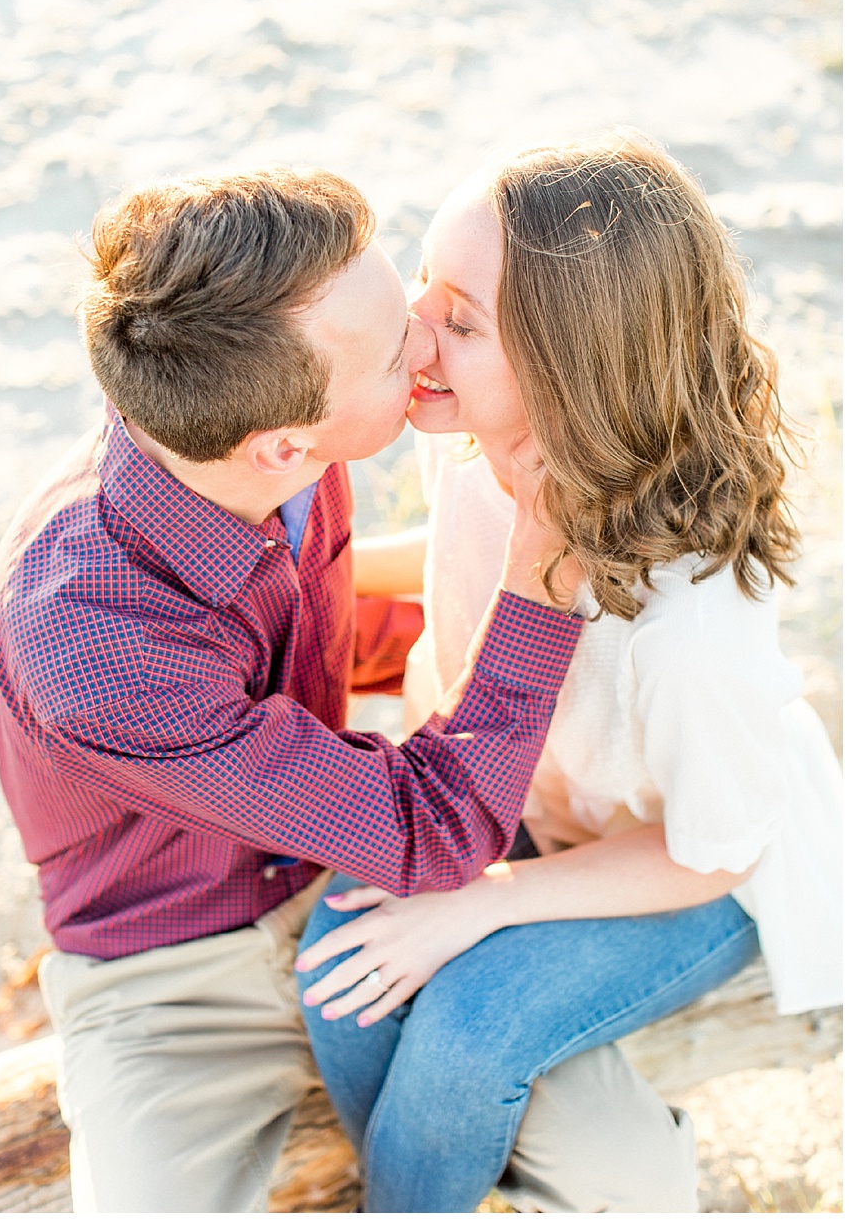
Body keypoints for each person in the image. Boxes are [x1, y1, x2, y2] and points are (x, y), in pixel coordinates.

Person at [0, 168, 702, 1212]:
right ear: (284, 443)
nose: (424, 333)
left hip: (354, 876)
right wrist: (537, 578)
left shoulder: (255, 430)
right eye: (390, 349)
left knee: (631, 1176)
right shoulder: (88, 643)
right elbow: (435, 825)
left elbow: (319, 625)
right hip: (170, 976)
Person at [294, 130, 844, 1212]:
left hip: (684, 861)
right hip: (520, 791)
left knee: (467, 1030)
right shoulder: (491, 457)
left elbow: (712, 852)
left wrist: (483, 905)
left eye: (457, 321)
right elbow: (459, 569)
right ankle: (436, 1185)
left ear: (573, 373)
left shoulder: (689, 629)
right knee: (343, 982)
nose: (412, 329)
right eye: (424, 289)